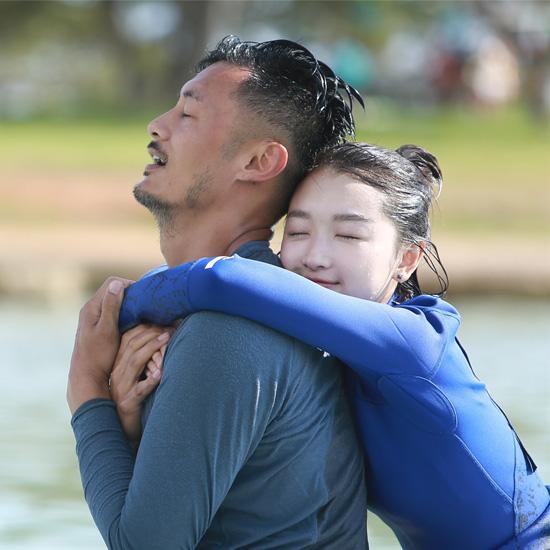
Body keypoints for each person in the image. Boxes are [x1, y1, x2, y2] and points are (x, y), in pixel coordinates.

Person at [118, 142, 550, 550]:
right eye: (299, 231)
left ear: (406, 260)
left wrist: (115, 313)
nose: (314, 257)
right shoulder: (322, 353)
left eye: (348, 236)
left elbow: (220, 279)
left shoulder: (415, 345)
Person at [67, 37, 368, 549]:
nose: (157, 125)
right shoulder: (211, 312)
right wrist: (127, 432)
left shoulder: (229, 330)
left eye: (188, 114)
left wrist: (87, 390)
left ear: (257, 161)